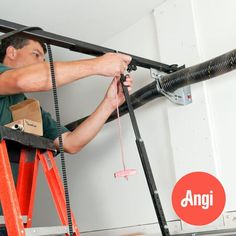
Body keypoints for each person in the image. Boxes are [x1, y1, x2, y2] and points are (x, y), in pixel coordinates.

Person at [0, 36, 133, 235]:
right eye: (36, 54)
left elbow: (71, 143)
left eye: (44, 60)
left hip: (7, 214)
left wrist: (109, 104)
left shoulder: (29, 109)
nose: (41, 63)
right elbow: (22, 78)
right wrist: (97, 65)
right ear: (11, 52)